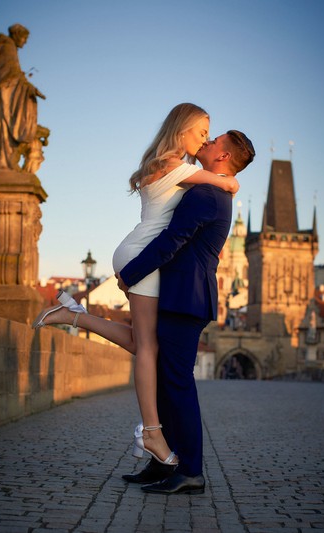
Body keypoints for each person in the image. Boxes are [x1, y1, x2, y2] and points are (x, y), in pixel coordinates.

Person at [33, 103, 239, 466]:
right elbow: (225, 182)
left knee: (142, 342)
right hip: (144, 256)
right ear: (182, 131)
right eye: (202, 132)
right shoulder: (181, 168)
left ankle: (72, 316)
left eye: (209, 135)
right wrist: (227, 180)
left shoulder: (162, 164)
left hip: (134, 250)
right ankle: (152, 434)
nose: (205, 139)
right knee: (147, 349)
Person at [117, 129, 255, 494]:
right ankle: (162, 462)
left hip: (185, 297)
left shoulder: (208, 193)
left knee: (177, 384)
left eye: (214, 141)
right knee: (166, 381)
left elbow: (170, 241)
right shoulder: (214, 189)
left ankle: (191, 470)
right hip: (182, 295)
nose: (206, 144)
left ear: (223, 157)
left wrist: (129, 276)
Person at [0, 23, 46, 176]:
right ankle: (2, 162)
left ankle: (6, 162)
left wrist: (27, 86)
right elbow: (7, 75)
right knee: (4, 127)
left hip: (6, 93)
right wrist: (28, 87)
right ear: (18, 35)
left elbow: (13, 74)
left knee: (5, 129)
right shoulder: (7, 48)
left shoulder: (8, 48)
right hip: (3, 96)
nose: (25, 42)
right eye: (25, 38)